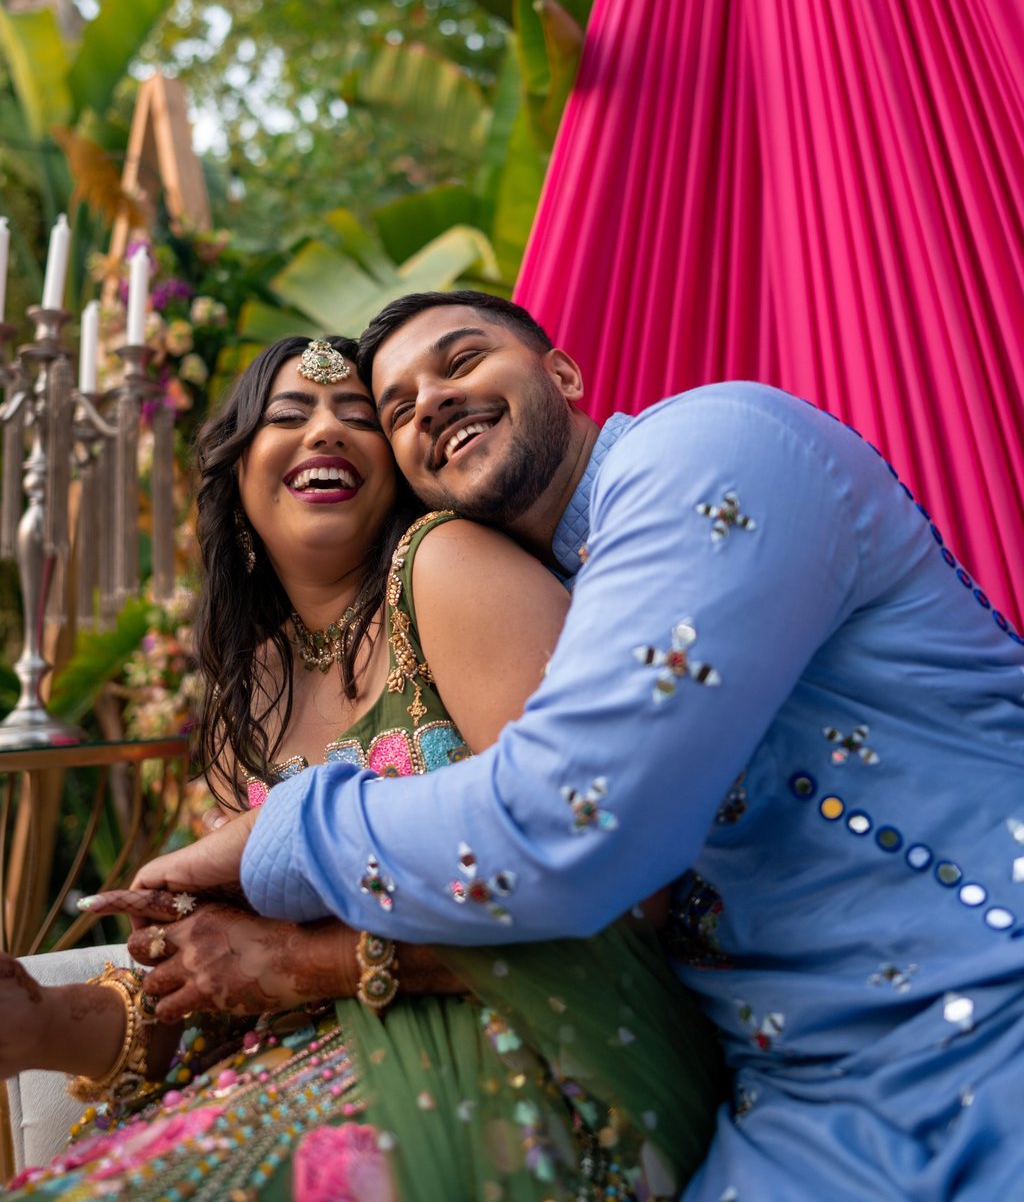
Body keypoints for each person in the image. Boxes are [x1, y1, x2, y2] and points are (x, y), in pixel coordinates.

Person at [133, 292, 1024, 1201]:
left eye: (462, 360)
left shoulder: (713, 449)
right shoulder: (555, 600)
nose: (431, 401)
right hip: (801, 1109)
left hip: (992, 1015)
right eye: (399, 408)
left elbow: (573, 823)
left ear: (563, 373)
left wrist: (283, 836)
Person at [0, 333, 722, 1201]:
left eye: (358, 418)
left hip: (547, 1048)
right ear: (237, 481)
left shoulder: (446, 568)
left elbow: (617, 880)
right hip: (312, 1054)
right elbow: (230, 966)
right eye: (289, 415)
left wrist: (329, 964)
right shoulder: (248, 700)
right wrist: (40, 1022)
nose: (326, 433)